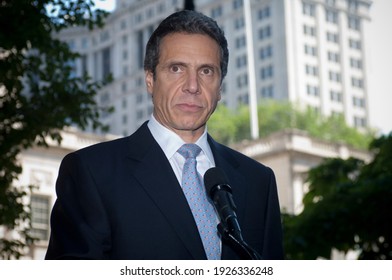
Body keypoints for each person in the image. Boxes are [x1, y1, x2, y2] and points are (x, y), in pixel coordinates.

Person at [45, 10, 284, 260]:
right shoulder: (91, 172)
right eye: (176, 68)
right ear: (150, 79)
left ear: (220, 87)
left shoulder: (259, 181)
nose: (192, 86)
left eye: (206, 71)